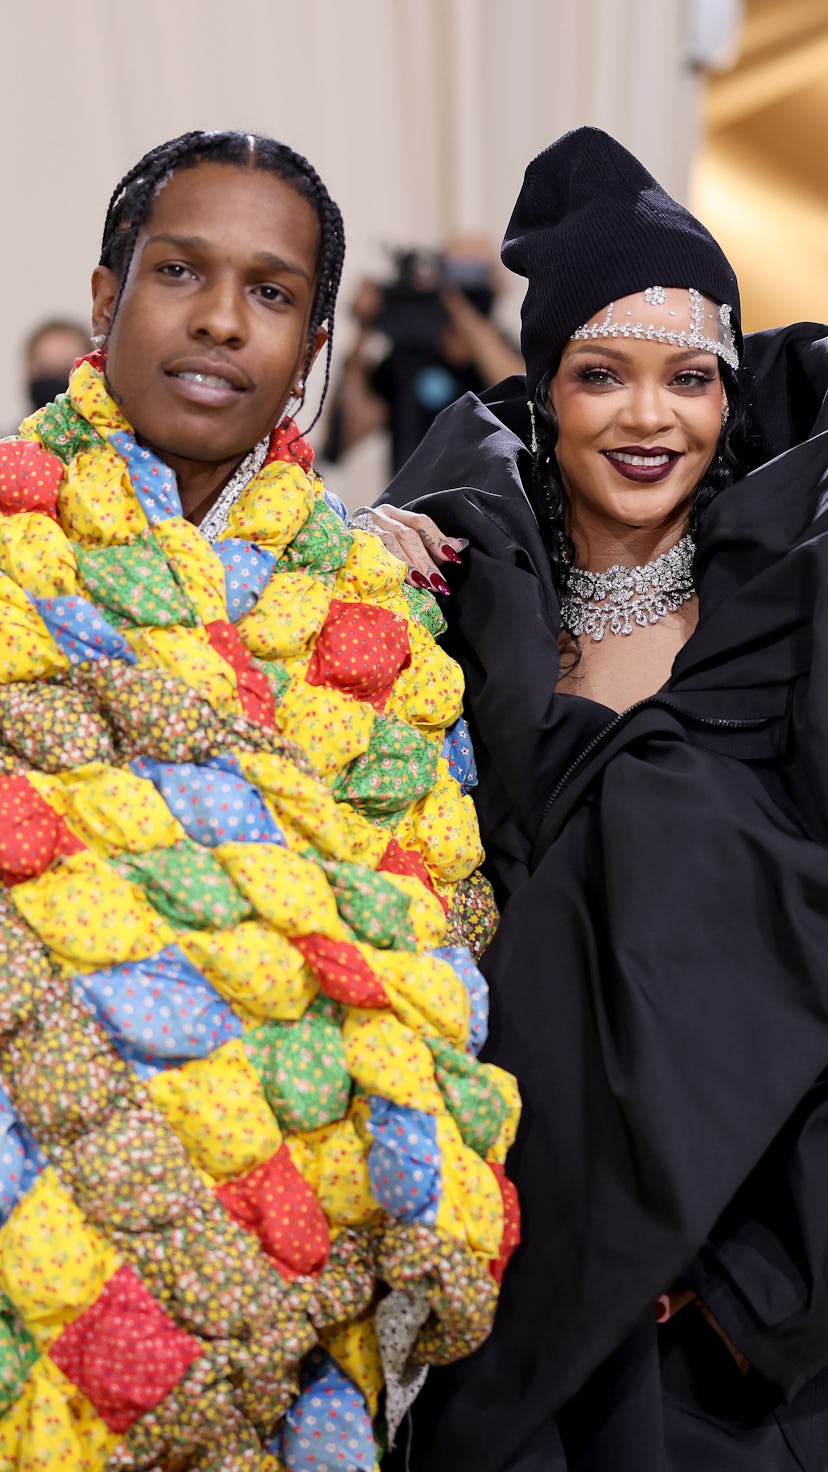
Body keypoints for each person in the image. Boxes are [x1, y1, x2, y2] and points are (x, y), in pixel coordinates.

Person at [0, 130, 520, 1468]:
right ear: (107, 302)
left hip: (303, 1274)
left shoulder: (373, 613)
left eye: (273, 293)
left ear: (312, 348)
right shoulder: (11, 556)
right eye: (181, 272)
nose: (222, 320)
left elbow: (435, 938)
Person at [367, 127, 828, 1470]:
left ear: (730, 396)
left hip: (743, 1328)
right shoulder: (463, 616)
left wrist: (753, 1289)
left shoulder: (792, 622)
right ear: (544, 388)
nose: (649, 418)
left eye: (690, 379)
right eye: (601, 375)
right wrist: (347, 576)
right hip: (504, 1288)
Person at [324, 235, 523, 476]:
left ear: (496, 282)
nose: (458, 285)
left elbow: (523, 399)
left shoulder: (504, 352)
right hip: (414, 509)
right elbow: (345, 436)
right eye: (451, 270)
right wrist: (363, 333)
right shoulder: (407, 360)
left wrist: (461, 311)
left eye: (470, 273)